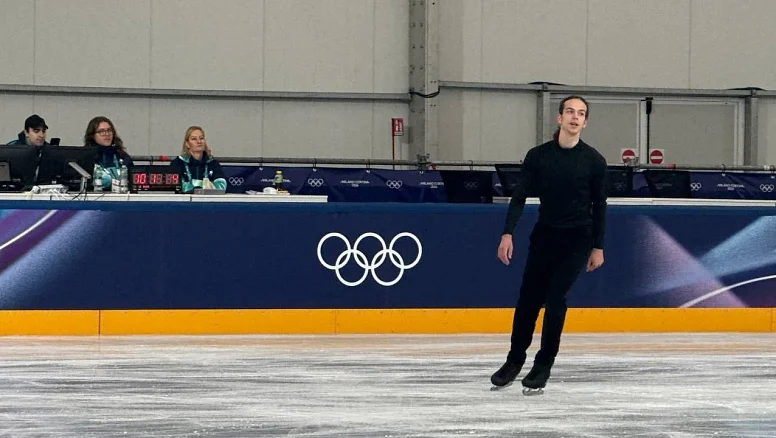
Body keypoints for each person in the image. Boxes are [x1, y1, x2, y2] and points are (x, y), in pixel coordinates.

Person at [490, 95, 607, 391]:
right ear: (559, 117)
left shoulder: (594, 161)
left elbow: (600, 205)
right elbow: (519, 196)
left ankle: (543, 364)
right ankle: (514, 360)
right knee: (528, 299)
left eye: (581, 113)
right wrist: (507, 233)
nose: (575, 117)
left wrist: (598, 246)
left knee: (555, 298)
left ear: (585, 122)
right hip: (545, 235)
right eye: (570, 111)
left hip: (578, 238)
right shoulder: (538, 156)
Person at [169, 126, 227, 193]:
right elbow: (178, 187)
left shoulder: (213, 163)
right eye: (194, 139)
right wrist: (205, 185)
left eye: (201, 138)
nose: (199, 141)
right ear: (187, 144)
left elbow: (221, 186)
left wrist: (195, 185)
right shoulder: (177, 163)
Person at [84, 116, 133, 191]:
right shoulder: (86, 157)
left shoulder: (122, 156)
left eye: (109, 130)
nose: (107, 134)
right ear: (92, 135)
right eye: (101, 131)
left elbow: (132, 182)